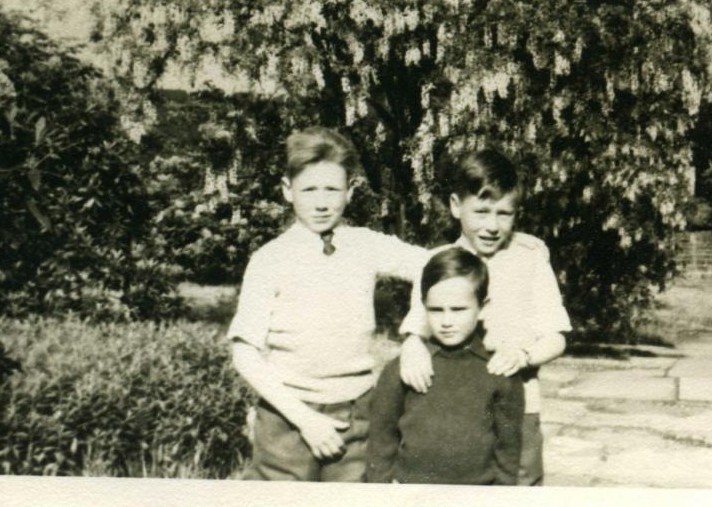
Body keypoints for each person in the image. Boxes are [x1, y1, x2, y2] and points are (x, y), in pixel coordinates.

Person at [228, 127, 429, 482]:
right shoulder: (270, 259)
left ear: (350, 190)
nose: (321, 203)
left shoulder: (364, 245)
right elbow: (244, 352)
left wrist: (414, 336)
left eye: (332, 189)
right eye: (308, 189)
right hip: (286, 419)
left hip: (357, 413)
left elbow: (437, 268)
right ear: (287, 190)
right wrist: (304, 419)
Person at [398, 149, 571, 485]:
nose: (492, 226)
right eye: (480, 211)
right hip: (455, 408)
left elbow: (557, 336)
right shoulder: (438, 262)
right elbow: (416, 329)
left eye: (504, 214)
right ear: (454, 206)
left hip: (519, 408)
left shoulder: (530, 258)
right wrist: (412, 347)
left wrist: (524, 355)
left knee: (519, 489)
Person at [365, 248, 525, 485]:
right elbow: (381, 442)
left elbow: (508, 452)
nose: (447, 321)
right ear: (424, 306)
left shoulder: (499, 371)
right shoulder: (403, 369)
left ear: (483, 307)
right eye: (436, 310)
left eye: (458, 310)